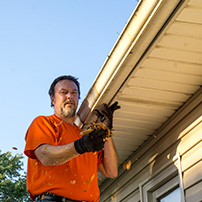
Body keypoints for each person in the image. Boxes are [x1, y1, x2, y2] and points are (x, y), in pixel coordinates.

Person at [24, 75, 119, 202]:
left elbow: (111, 171)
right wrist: (80, 146)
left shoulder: (85, 136)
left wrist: (106, 131)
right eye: (63, 92)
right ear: (53, 99)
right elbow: (45, 156)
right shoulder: (44, 123)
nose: (69, 96)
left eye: (74, 93)